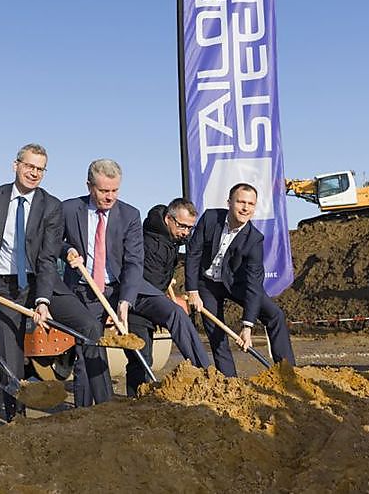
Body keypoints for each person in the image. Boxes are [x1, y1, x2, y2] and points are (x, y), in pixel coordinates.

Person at [0, 143, 109, 420]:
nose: (34, 173)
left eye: (40, 169)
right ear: (16, 165)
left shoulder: (51, 206)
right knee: (11, 357)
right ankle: (16, 420)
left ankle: (105, 406)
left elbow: (47, 257)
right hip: (3, 287)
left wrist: (43, 300)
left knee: (89, 326)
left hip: (42, 281)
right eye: (29, 166)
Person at [62, 160, 209, 403]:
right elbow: (54, 241)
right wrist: (67, 250)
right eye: (104, 190)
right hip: (87, 290)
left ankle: (206, 373)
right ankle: (90, 409)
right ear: (89, 186)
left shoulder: (129, 214)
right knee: (90, 347)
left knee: (174, 312)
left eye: (115, 190)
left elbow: (133, 262)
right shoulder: (68, 209)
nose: (110, 197)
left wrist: (126, 301)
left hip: (127, 286)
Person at [185, 183, 296, 377]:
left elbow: (253, 285)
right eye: (241, 202)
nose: (245, 208)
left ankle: (288, 373)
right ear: (229, 202)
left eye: (251, 204)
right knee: (217, 334)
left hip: (237, 284)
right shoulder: (210, 218)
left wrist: (247, 326)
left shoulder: (254, 239)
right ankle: (231, 381)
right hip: (207, 284)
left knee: (275, 315)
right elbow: (194, 254)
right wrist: (192, 291)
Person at [123, 198, 212, 396]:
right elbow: (147, 280)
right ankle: (204, 370)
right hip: (138, 296)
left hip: (150, 298)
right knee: (176, 315)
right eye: (182, 226)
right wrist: (165, 302)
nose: (186, 232)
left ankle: (137, 400)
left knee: (142, 359)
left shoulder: (171, 238)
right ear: (168, 219)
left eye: (189, 227)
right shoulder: (150, 242)